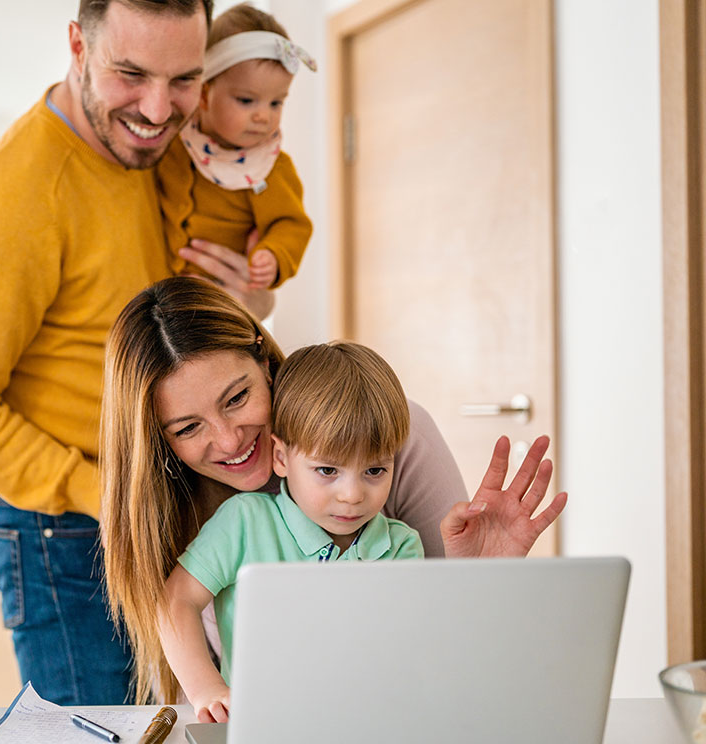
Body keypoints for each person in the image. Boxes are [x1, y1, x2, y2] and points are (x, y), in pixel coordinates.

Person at [0, 0, 267, 705]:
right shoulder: (12, 203)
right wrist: (106, 493)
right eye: (129, 74)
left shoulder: (165, 154)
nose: (157, 108)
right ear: (77, 44)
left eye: (183, 80)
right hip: (66, 530)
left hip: (154, 500)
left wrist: (246, 305)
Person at [98, 277, 567, 707]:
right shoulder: (231, 519)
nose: (228, 440)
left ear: (264, 362)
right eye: (187, 427)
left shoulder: (396, 511)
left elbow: (442, 649)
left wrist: (476, 578)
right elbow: (183, 644)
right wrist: (209, 695)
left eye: (238, 398)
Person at [159, 341, 422, 722]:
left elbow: (411, 652)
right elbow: (175, 601)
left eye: (375, 471)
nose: (352, 495)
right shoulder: (244, 522)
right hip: (263, 726)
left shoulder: (401, 546)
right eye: (328, 471)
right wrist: (206, 688)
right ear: (281, 458)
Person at [158, 3, 315, 291]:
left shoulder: (269, 168)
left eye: (276, 102)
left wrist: (273, 255)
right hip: (161, 287)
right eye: (246, 100)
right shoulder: (176, 143)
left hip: (220, 290)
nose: (263, 115)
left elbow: (291, 224)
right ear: (204, 95)